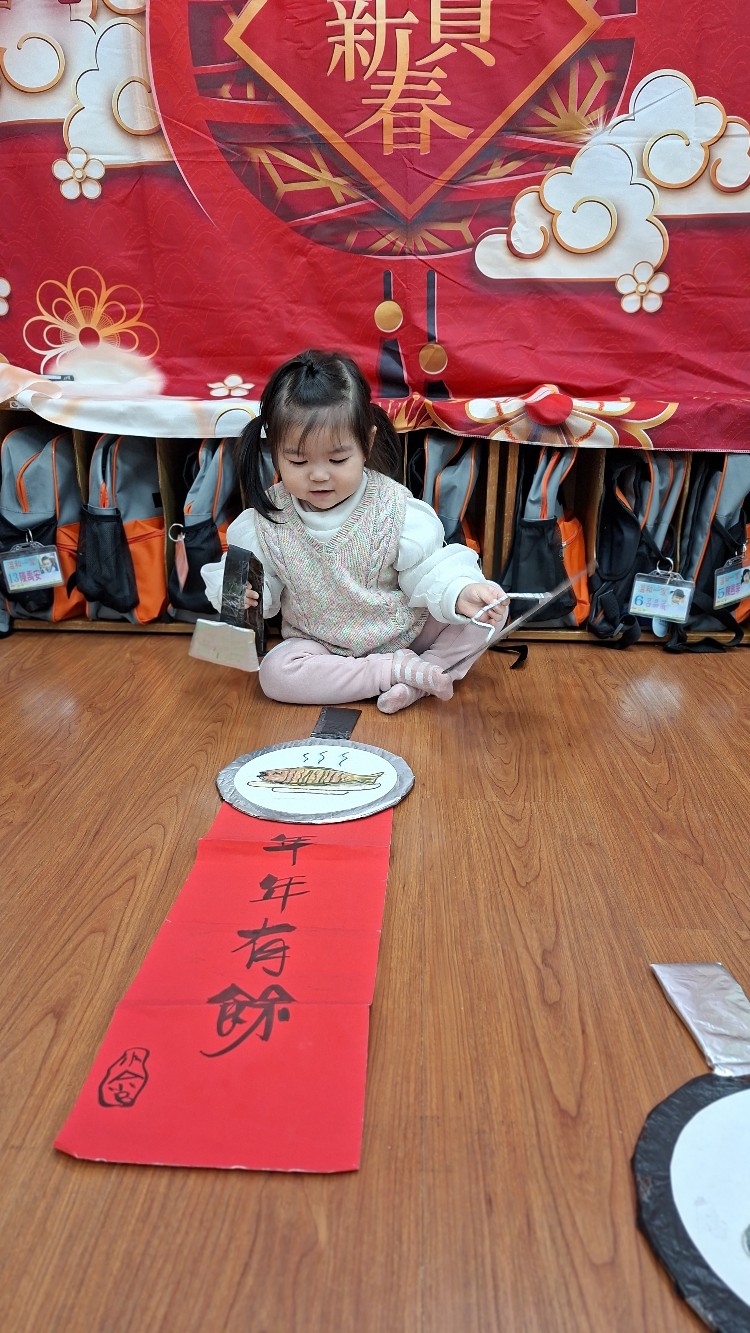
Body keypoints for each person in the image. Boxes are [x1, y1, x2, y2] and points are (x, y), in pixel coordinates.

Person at [201, 349, 509, 714]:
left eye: (337, 459)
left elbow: (430, 570)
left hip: (405, 633)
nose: (319, 475)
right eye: (298, 461)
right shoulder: (267, 521)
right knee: (275, 674)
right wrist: (240, 593)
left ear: (367, 442)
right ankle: (394, 673)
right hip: (321, 647)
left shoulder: (395, 509)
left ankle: (423, 673)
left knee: (489, 610)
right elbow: (258, 591)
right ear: (275, 451)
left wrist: (461, 592)